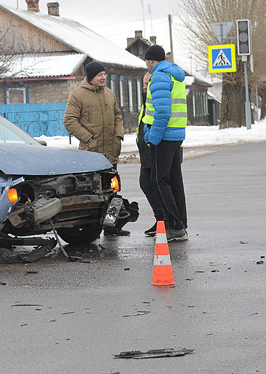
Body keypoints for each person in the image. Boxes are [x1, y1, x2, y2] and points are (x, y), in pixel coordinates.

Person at [64, 60, 132, 236]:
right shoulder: (77, 95)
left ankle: (112, 225)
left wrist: (118, 135)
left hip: (111, 151)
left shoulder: (109, 94)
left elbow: (118, 115)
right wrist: (88, 138)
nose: (103, 77)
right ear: (91, 77)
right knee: (94, 192)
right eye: (99, 75)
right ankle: (91, 227)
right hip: (90, 153)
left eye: (104, 74)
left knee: (112, 189)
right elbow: (70, 121)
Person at [142, 45, 188, 242]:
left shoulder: (160, 76)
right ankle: (181, 224)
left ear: (151, 61)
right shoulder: (175, 75)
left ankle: (175, 226)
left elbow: (162, 112)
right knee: (175, 181)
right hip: (176, 134)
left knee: (158, 181)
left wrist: (153, 137)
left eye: (146, 61)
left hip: (164, 136)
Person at [136, 71, 166, 236]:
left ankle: (165, 220)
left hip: (155, 147)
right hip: (145, 149)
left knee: (155, 184)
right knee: (146, 183)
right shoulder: (145, 101)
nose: (146, 87)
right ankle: (160, 219)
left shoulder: (158, 98)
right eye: (144, 84)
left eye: (148, 84)